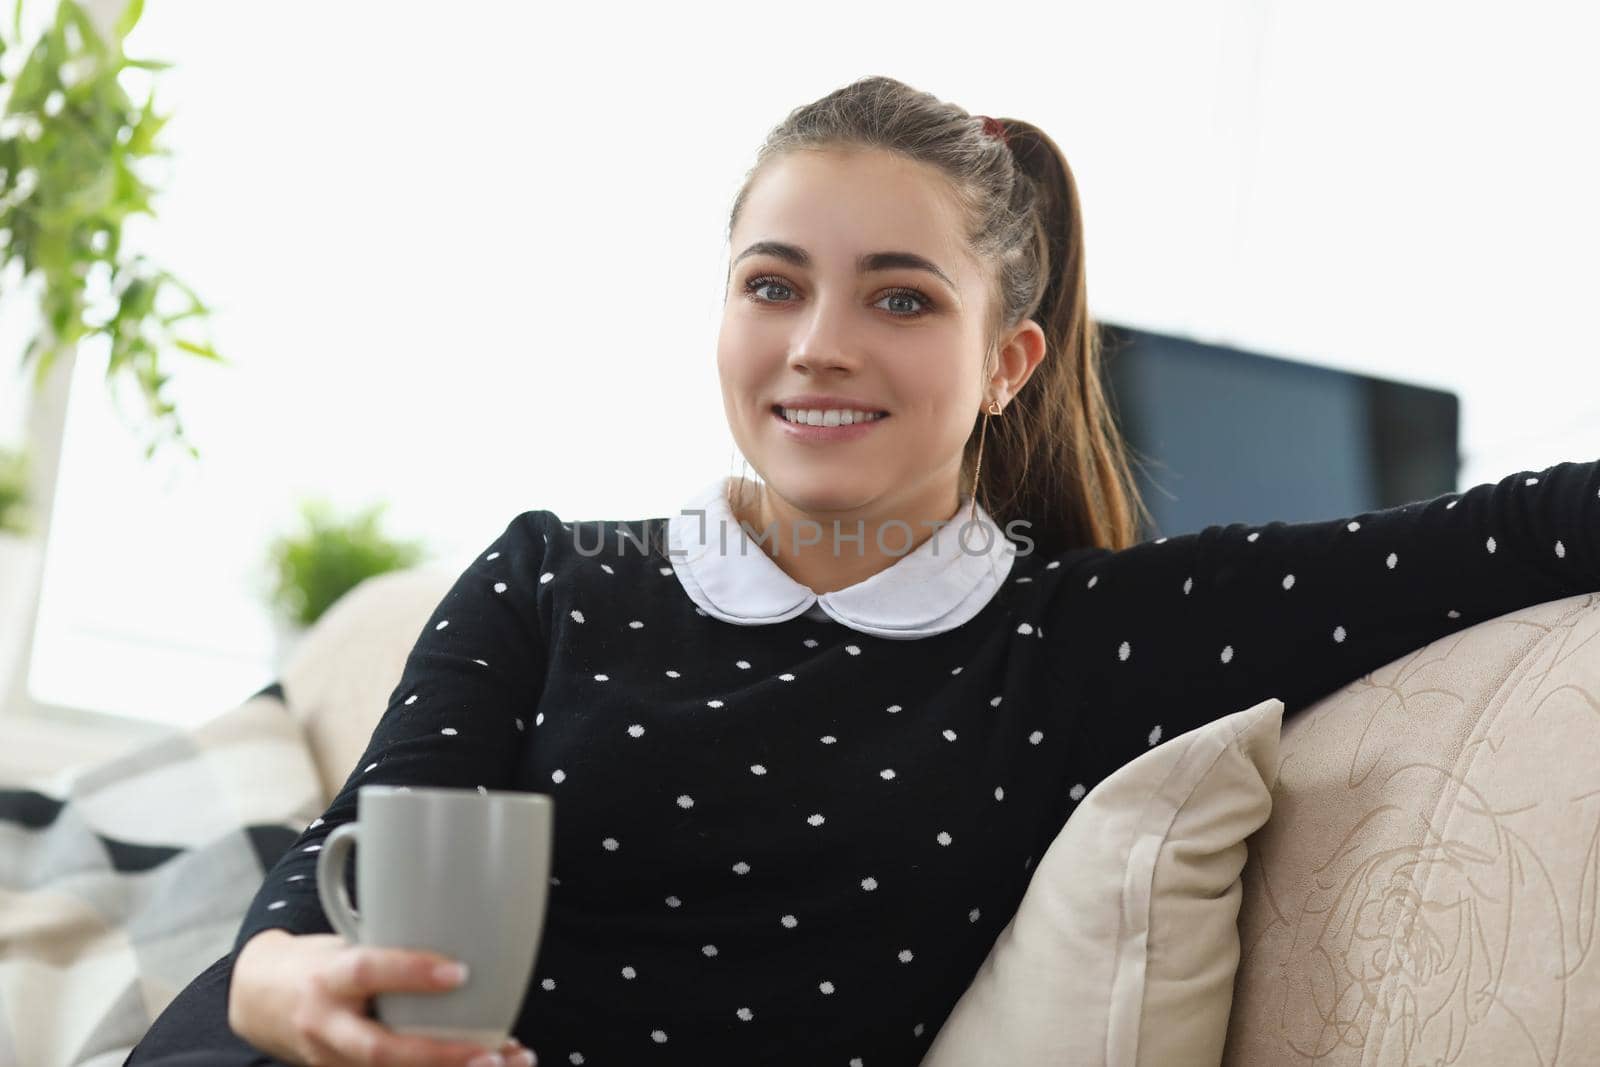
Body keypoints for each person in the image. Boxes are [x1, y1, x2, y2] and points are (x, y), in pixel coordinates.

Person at [127, 74, 1598, 1067]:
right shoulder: (553, 577)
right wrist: (279, 987)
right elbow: (355, 850)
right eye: (774, 285)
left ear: (1007, 361)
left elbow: (1504, 537)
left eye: (899, 296)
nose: (819, 343)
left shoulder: (1081, 642)